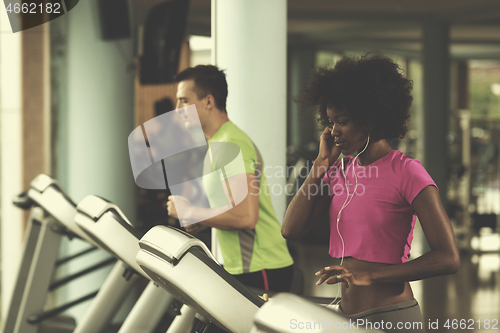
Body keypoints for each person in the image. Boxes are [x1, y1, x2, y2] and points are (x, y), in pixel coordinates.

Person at [281, 53, 460, 332]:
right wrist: (319, 165)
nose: (335, 131)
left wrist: (372, 275)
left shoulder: (408, 172)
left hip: (391, 316)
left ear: (371, 118)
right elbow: (290, 229)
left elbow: (448, 257)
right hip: (344, 314)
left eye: (343, 120)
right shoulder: (338, 171)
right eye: (330, 122)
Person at [166, 65, 294, 292]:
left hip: (262, 268)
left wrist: (189, 212)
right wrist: (200, 218)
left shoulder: (231, 144)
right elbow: (231, 208)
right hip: (245, 267)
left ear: (208, 102)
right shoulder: (218, 143)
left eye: (184, 101)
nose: (177, 109)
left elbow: (245, 216)